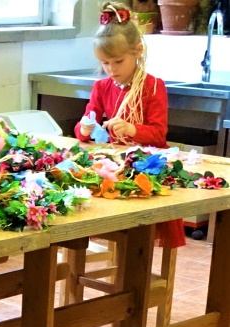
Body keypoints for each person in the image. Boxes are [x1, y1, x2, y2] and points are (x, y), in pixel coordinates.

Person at [75, 1, 184, 248]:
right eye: (105, 63)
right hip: (114, 164)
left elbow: (158, 133)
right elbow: (85, 124)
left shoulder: (153, 86)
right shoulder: (101, 87)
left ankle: (136, 259)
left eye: (118, 62)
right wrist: (85, 129)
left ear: (137, 52)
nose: (111, 70)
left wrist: (132, 129)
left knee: (140, 219)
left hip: (148, 165)